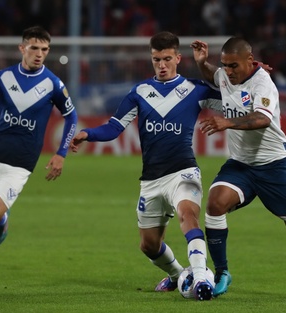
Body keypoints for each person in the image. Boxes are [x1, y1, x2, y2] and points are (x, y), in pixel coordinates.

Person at [69, 31, 221, 301]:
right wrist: (87, 134)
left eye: (166, 59)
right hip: (151, 180)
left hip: (183, 170)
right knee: (149, 245)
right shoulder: (139, 93)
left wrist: (242, 75)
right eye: (155, 60)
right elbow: (114, 128)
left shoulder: (196, 90)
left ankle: (199, 277)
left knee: (189, 216)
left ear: (177, 58)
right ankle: (178, 275)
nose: (161, 65)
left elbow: (231, 97)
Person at [191, 37, 286, 300]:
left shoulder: (263, 83)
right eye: (225, 65)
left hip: (275, 165)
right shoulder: (225, 75)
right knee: (214, 203)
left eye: (234, 65)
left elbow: (261, 119)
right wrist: (203, 63)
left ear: (250, 61)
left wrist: (228, 123)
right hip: (241, 165)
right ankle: (222, 271)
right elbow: (213, 75)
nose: (229, 71)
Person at [0, 26, 78, 273]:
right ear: (22, 48)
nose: (39, 54)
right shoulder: (4, 77)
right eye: (34, 48)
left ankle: (2, 222)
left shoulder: (53, 84)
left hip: (19, 164)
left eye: (44, 49)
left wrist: (61, 153)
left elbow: (71, 117)